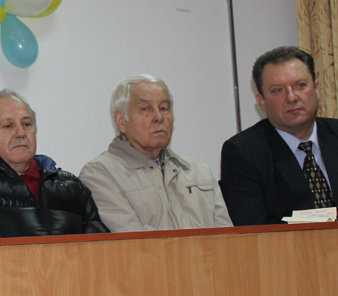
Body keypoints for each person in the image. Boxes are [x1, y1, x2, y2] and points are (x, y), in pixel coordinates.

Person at [219, 46, 338, 225]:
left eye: (300, 85)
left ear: (317, 89)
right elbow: (253, 232)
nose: (292, 97)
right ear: (261, 102)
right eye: (277, 90)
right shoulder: (243, 153)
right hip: (290, 245)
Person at [79, 75, 231, 232]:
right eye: (146, 109)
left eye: (164, 108)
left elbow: (230, 241)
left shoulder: (200, 173)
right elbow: (134, 243)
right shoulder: (100, 174)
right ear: (121, 120)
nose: (159, 117)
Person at [0, 90, 107, 238]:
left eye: (26, 124)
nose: (21, 133)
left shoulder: (71, 186)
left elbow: (103, 246)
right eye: (8, 126)